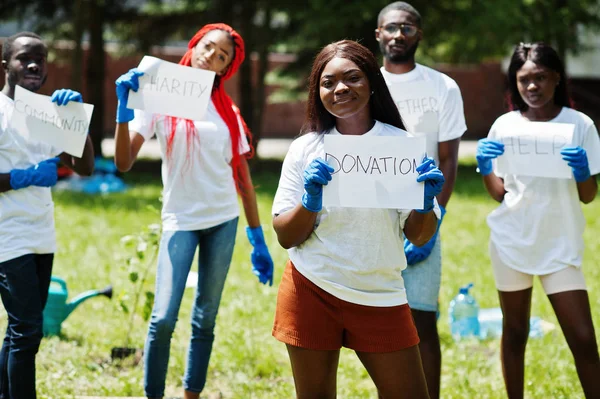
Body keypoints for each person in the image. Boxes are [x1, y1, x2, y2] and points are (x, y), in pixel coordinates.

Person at [271, 39, 444, 399]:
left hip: (380, 292)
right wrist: (310, 202)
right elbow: (287, 237)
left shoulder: (402, 146)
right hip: (312, 287)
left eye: (352, 78)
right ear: (317, 91)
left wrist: (425, 203)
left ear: (371, 83)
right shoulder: (306, 148)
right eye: (328, 82)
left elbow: (420, 234)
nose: (340, 89)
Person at [112, 23, 274, 399]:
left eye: (222, 57)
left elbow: (243, 178)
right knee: (163, 318)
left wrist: (257, 236)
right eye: (208, 47)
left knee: (205, 319)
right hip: (180, 220)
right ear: (194, 45)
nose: (211, 57)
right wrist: (123, 110)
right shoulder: (159, 96)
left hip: (222, 219)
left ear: (225, 69)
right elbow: (123, 161)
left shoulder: (227, 110)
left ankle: (191, 394)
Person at [476, 42, 600, 399]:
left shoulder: (579, 124)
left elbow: (588, 195)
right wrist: (485, 169)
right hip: (512, 240)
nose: (532, 87)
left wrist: (581, 173)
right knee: (515, 333)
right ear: (514, 82)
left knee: (583, 338)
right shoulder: (505, 125)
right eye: (524, 79)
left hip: (559, 243)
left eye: (541, 78)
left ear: (557, 78)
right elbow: (500, 192)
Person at [374, 3, 467, 397]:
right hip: (371, 217)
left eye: (407, 28)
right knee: (377, 326)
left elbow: (447, 158)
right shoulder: (362, 82)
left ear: (419, 35)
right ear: (378, 34)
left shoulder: (441, 86)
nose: (398, 35)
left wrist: (433, 220)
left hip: (421, 214)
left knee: (421, 322)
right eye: (390, 28)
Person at [0, 32, 94, 399]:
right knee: (28, 330)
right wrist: (22, 178)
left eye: (41, 58)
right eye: (25, 58)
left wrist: (75, 122)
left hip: (41, 233)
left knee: (20, 329)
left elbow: (84, 167)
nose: (35, 64)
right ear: (6, 66)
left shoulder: (46, 113)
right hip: (7, 235)